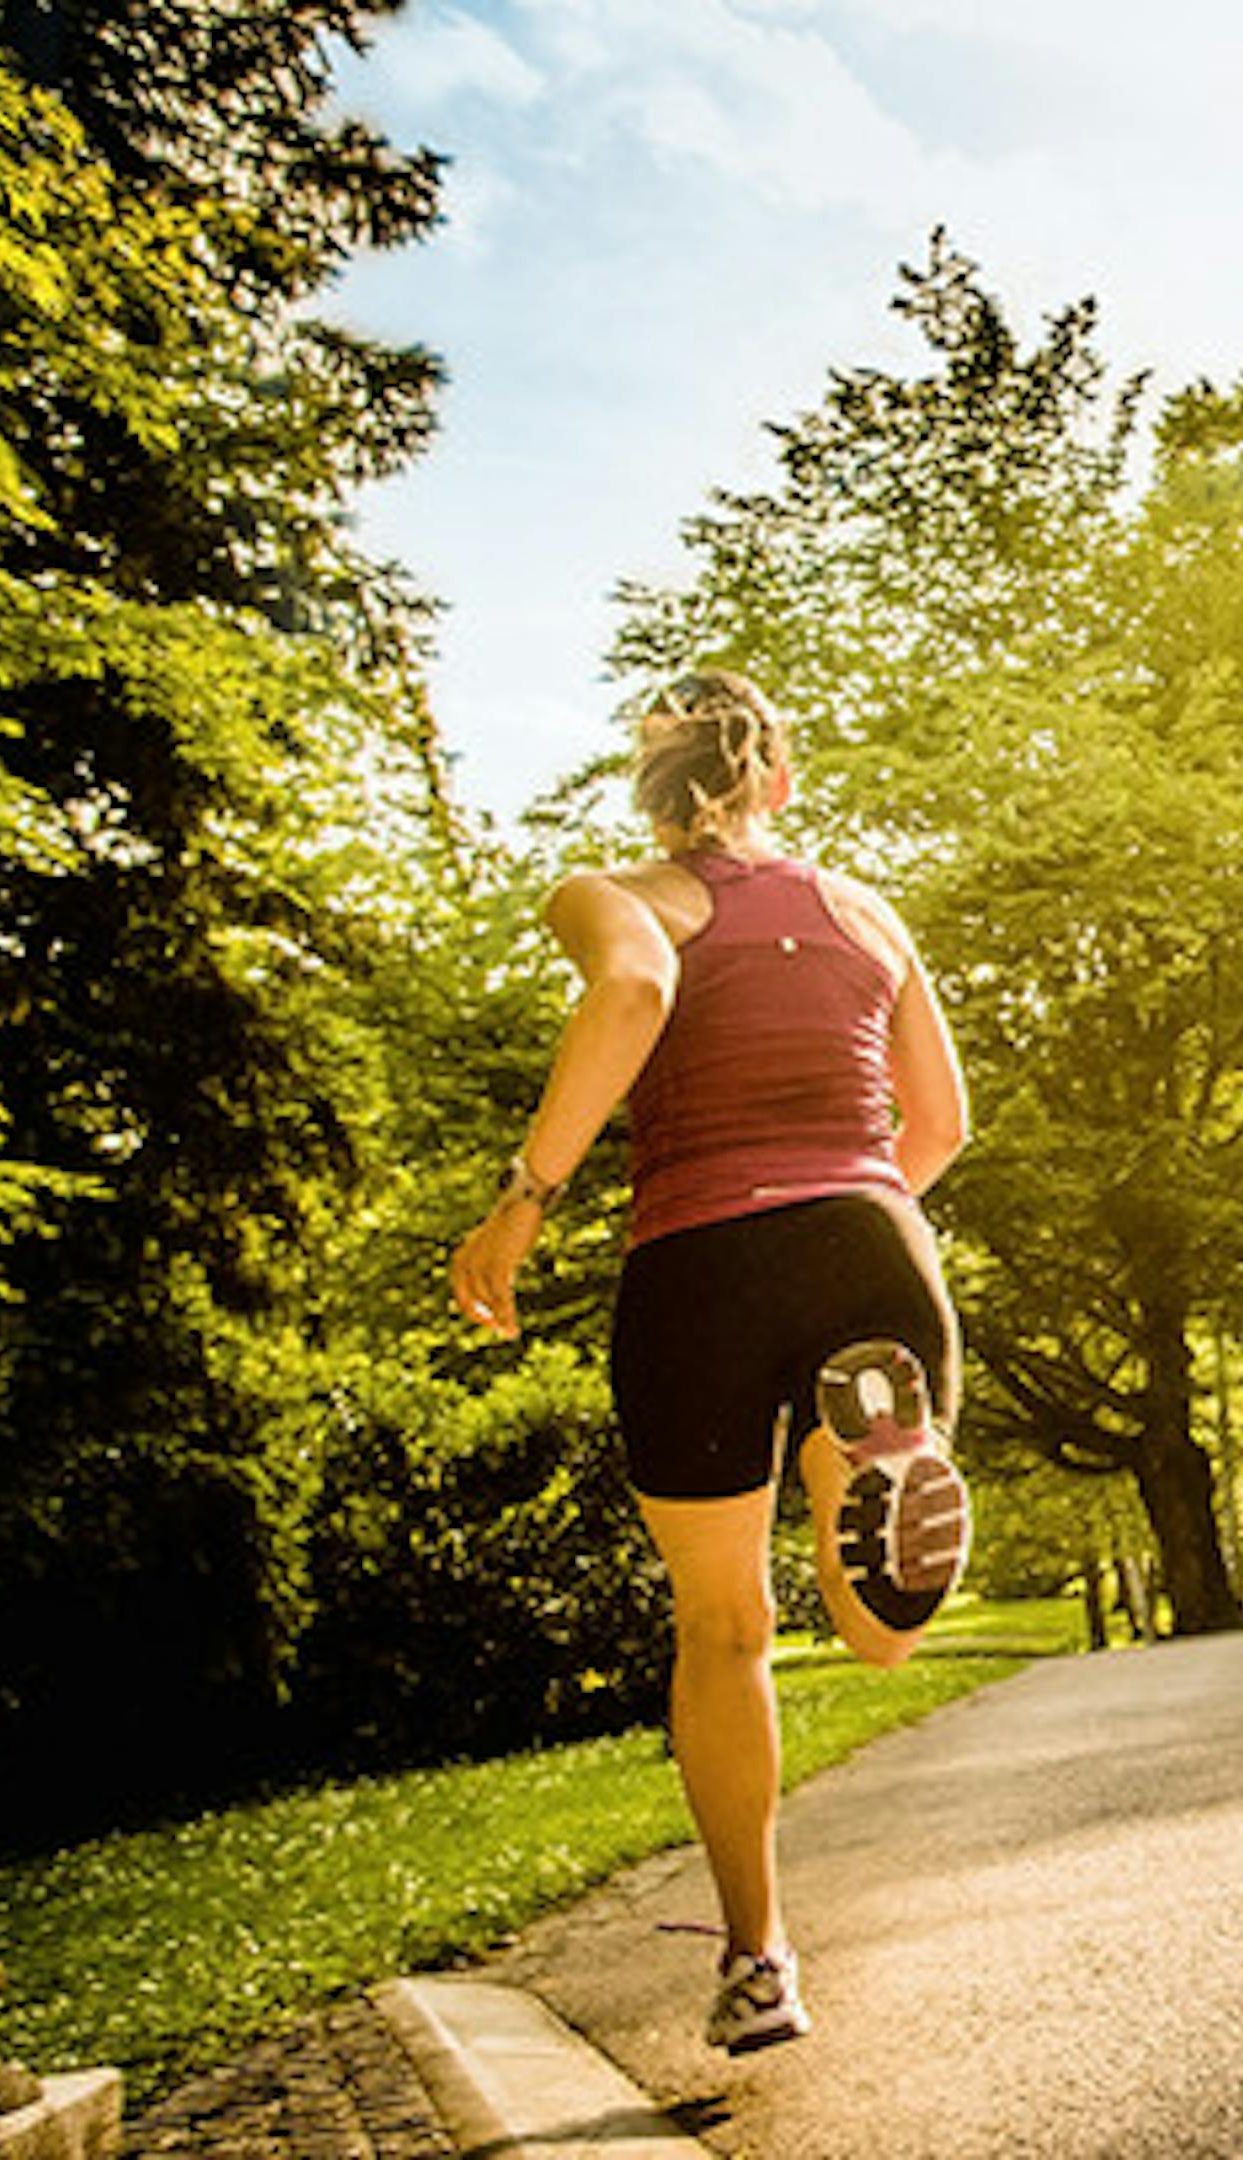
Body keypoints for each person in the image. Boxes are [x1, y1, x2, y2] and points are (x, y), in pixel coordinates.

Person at [450, 669, 974, 2053]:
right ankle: (891, 1457)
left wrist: (524, 1196)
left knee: (723, 1628)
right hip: (873, 1235)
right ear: (778, 780)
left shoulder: (611, 893)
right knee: (884, 1632)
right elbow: (942, 1125)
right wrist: (855, 1209)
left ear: (649, 787)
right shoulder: (868, 912)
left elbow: (631, 995)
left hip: (696, 1265)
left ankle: (758, 1960)